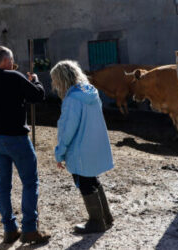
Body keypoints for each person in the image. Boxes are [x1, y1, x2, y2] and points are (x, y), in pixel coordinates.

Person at [0, 46, 51, 244]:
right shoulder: (15, 77)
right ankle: (30, 229)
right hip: (17, 138)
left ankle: (9, 229)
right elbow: (38, 96)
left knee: (3, 186)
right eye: (12, 61)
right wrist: (36, 81)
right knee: (30, 182)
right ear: (7, 61)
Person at [50, 60, 114, 234]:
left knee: (85, 184)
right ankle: (106, 217)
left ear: (61, 80)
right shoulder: (91, 92)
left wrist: (60, 153)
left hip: (80, 150)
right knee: (93, 180)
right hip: (94, 146)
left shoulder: (72, 99)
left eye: (55, 81)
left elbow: (67, 130)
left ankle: (96, 222)